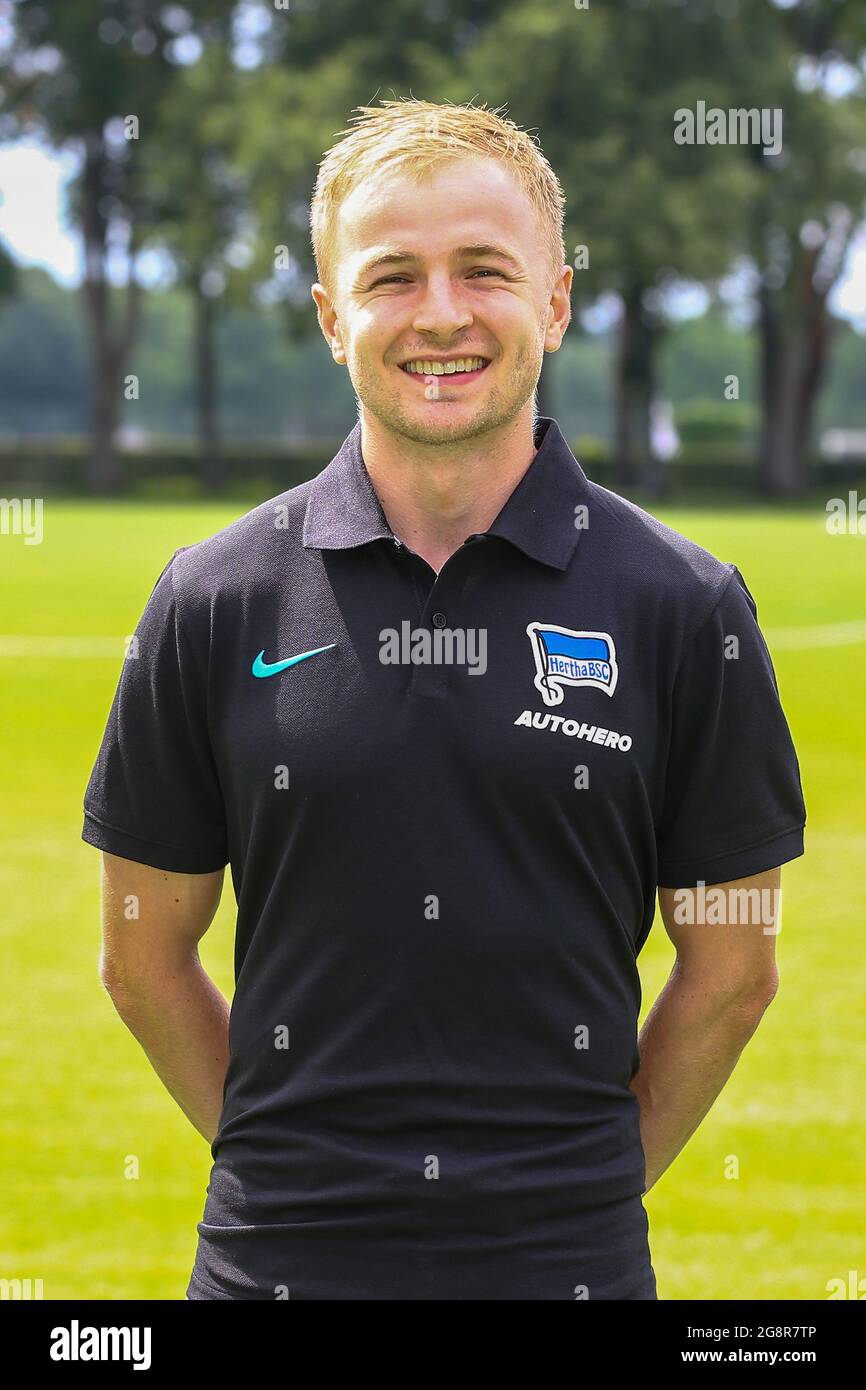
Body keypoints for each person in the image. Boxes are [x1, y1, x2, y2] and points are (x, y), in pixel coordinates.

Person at [81, 98, 806, 1301]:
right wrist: (282, 1168)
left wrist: (578, 1191)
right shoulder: (214, 599)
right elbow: (140, 957)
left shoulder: (682, 604)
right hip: (273, 1270)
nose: (439, 315)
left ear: (557, 301)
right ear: (330, 318)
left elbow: (731, 969)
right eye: (391, 277)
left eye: (483, 270)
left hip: (566, 1268)